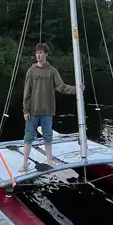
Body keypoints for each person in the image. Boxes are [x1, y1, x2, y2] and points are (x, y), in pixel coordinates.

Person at [20, 42, 84, 172]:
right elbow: (27, 92)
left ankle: (49, 160)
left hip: (47, 111)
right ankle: (24, 163)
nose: (38, 55)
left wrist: (77, 89)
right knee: (29, 136)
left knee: (48, 136)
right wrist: (25, 110)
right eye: (37, 52)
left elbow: (62, 87)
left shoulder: (52, 71)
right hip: (32, 111)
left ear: (46, 54)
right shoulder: (31, 71)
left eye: (41, 52)